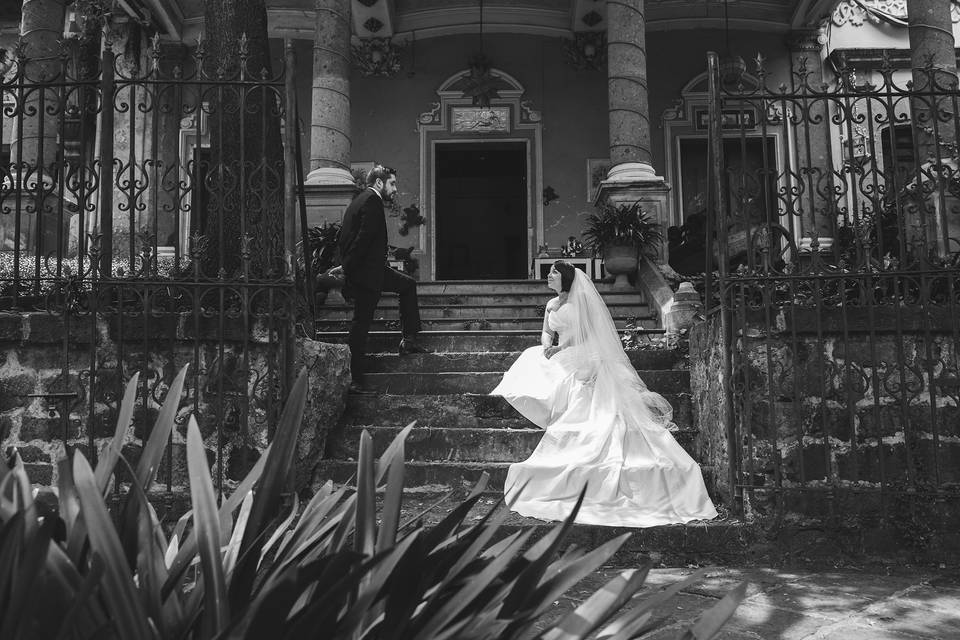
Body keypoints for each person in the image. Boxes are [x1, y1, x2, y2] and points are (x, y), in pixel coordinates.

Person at [490, 260, 718, 527]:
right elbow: (546, 332)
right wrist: (546, 347)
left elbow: (588, 335)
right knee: (531, 359)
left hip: (578, 351)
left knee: (577, 376)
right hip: (558, 351)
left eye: (553, 272)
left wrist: (562, 349)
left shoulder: (581, 303)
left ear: (564, 278)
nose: (548, 275)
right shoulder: (552, 305)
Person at [334, 164, 426, 394]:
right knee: (360, 324)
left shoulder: (358, 200)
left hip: (372, 270)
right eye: (392, 183)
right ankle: (355, 379)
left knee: (407, 285)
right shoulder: (372, 201)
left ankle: (409, 341)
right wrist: (346, 268)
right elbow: (362, 239)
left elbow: (348, 238)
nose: (395, 189)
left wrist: (345, 265)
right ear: (378, 183)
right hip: (367, 274)